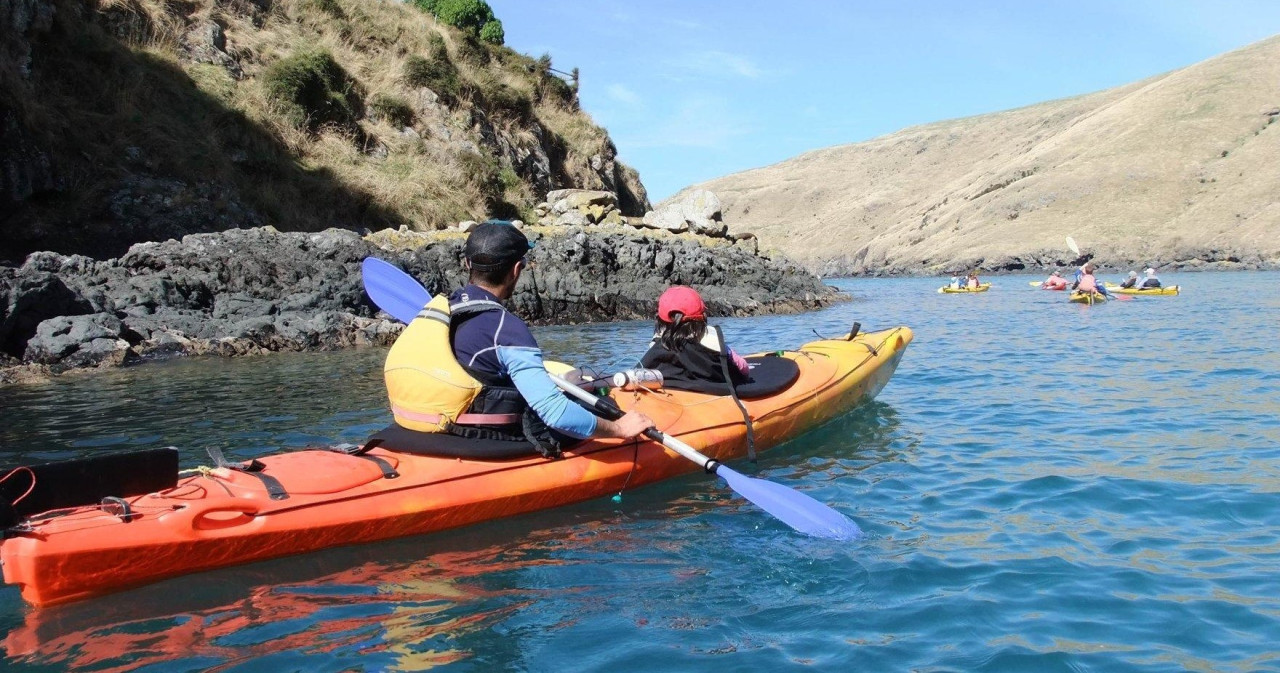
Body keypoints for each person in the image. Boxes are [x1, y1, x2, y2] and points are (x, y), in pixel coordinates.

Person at [443, 223, 654, 453]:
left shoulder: (443, 311)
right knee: (598, 407)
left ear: (467, 264)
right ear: (516, 269)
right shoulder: (507, 330)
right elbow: (556, 414)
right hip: (493, 435)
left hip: (449, 422)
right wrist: (619, 428)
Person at [639, 286, 750, 388]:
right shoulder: (712, 341)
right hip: (709, 394)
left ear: (660, 320)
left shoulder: (656, 346)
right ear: (702, 317)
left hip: (669, 392)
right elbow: (744, 368)